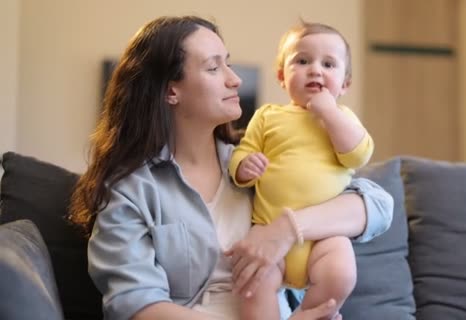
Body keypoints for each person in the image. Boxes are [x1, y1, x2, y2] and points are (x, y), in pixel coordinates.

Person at [68, 15, 393, 320]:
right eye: (213, 68)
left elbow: (378, 204)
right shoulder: (130, 189)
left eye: (229, 63)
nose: (235, 79)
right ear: (171, 91)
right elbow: (138, 306)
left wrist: (284, 230)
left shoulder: (253, 162)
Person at [228, 21, 372, 320]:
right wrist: (244, 167)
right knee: (253, 285)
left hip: (324, 238)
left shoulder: (343, 119)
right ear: (282, 76)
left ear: (345, 84)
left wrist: (329, 112)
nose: (316, 70)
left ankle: (305, 315)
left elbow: (358, 155)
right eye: (302, 61)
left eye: (328, 64)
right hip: (268, 232)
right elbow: (242, 151)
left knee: (342, 274)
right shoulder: (268, 115)